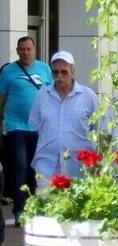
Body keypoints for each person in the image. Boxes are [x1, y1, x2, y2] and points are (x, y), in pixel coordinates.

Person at [0, 36, 52, 225]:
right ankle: (20, 211)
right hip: (15, 127)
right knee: (20, 167)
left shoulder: (45, 69)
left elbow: (51, 95)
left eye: (28, 49)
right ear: (17, 50)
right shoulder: (8, 71)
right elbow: (1, 99)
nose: (25, 52)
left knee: (34, 169)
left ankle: (34, 208)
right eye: (22, 49)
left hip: (39, 127)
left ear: (35, 49)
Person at [29, 51, 98, 181]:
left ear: (72, 71)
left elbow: (100, 130)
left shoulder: (88, 96)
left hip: (79, 168)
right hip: (46, 166)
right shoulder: (41, 95)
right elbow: (37, 125)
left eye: (64, 72)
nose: (59, 76)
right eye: (55, 72)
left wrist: (97, 164)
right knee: (45, 195)